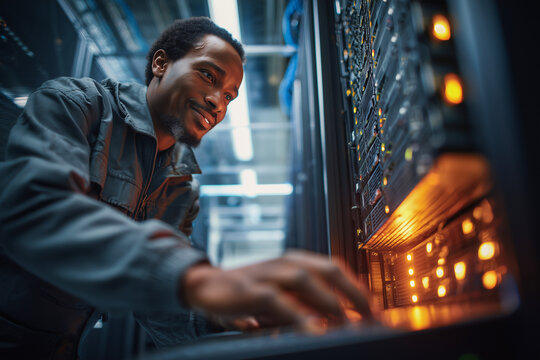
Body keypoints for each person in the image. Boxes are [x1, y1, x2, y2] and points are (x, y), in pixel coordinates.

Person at [0, 17, 373, 359]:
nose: (218, 102)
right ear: (161, 64)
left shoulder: (180, 186)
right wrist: (199, 278)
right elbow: (35, 208)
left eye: (229, 95)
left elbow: (159, 310)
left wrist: (234, 316)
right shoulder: (76, 103)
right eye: (209, 76)